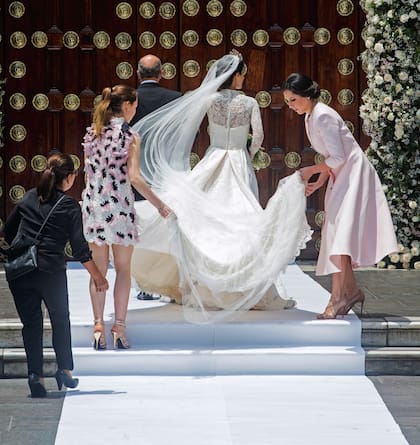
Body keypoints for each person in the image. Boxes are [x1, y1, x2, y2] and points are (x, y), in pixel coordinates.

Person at [130, 52, 312, 323]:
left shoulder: (209, 99)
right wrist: (247, 155)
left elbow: (189, 126)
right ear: (237, 75)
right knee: (243, 219)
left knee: (205, 222)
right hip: (237, 160)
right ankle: (245, 286)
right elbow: (259, 136)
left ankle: (203, 286)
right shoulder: (250, 102)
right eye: (243, 73)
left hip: (213, 158)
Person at [282, 72, 398, 319]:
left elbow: (339, 157)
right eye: (288, 102)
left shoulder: (323, 115)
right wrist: (321, 178)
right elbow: (332, 157)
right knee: (336, 233)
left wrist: (311, 171)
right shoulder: (310, 116)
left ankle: (338, 297)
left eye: (293, 100)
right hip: (341, 176)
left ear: (305, 96)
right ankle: (349, 292)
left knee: (339, 234)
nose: (290, 106)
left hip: (354, 175)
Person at [3, 152, 109, 398]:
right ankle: (64, 370)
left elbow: (8, 232)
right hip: (50, 271)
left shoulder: (29, 197)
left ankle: (35, 376)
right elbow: (81, 249)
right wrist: (98, 277)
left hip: (21, 271)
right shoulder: (70, 206)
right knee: (60, 320)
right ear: (70, 178)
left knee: (31, 324)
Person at [81, 84, 171, 350]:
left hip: (96, 206)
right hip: (119, 208)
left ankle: (98, 326)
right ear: (129, 106)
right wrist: (160, 205)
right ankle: (119, 328)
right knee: (123, 269)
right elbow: (134, 178)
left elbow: (89, 175)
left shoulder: (92, 133)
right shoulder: (130, 135)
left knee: (97, 269)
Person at [130, 54, 182, 300]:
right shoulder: (176, 100)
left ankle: (144, 284)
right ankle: (172, 284)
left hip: (135, 169)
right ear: (161, 74)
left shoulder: (128, 100)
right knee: (168, 226)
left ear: (138, 74)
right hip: (165, 171)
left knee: (140, 226)